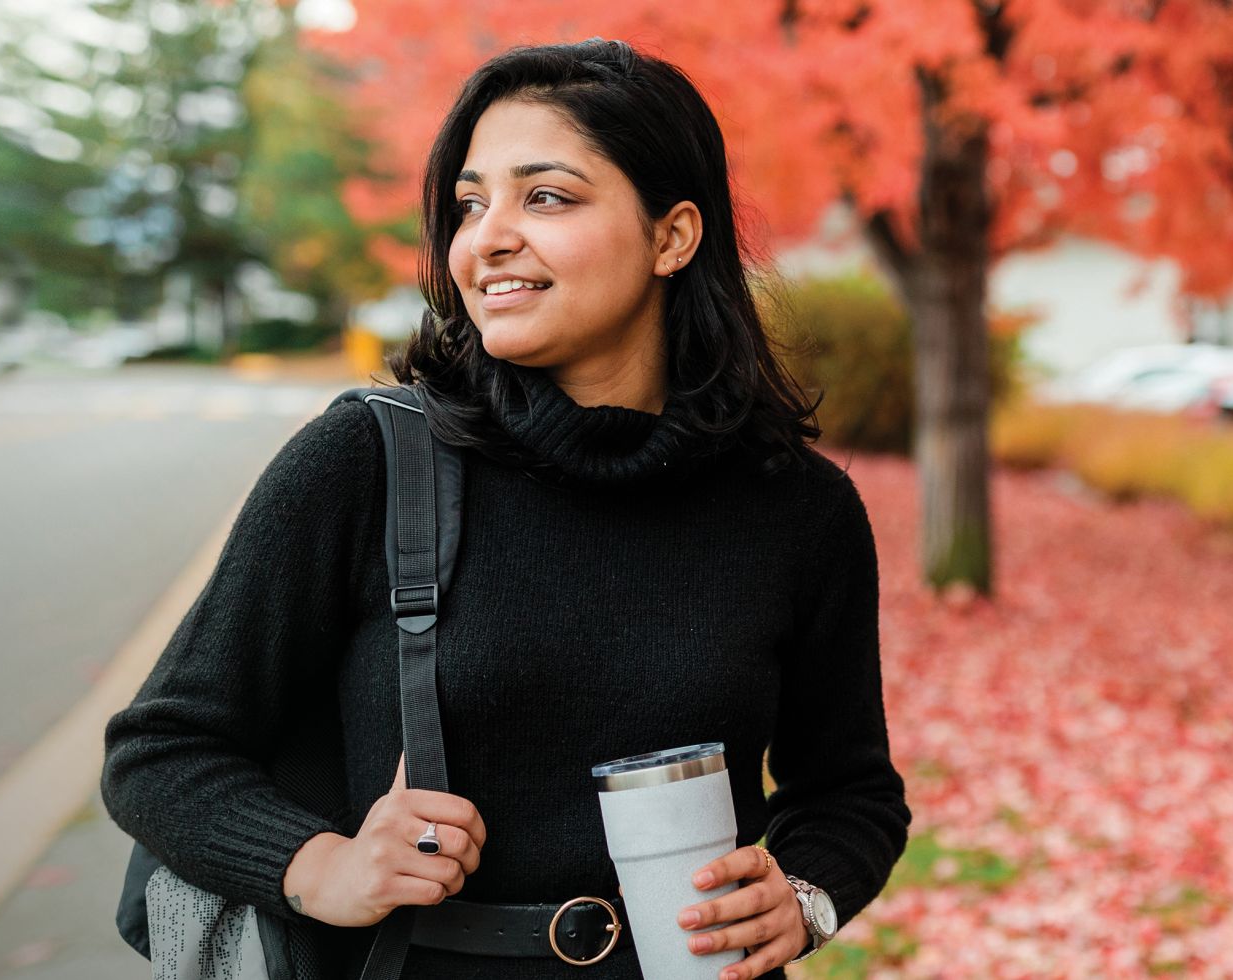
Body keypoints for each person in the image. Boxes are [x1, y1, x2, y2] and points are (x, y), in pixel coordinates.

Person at [101, 38, 912, 980]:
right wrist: (320, 865)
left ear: (672, 236)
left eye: (548, 196)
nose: (487, 237)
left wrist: (803, 896)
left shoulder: (798, 511)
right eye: (472, 203)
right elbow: (160, 746)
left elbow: (851, 789)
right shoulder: (365, 463)